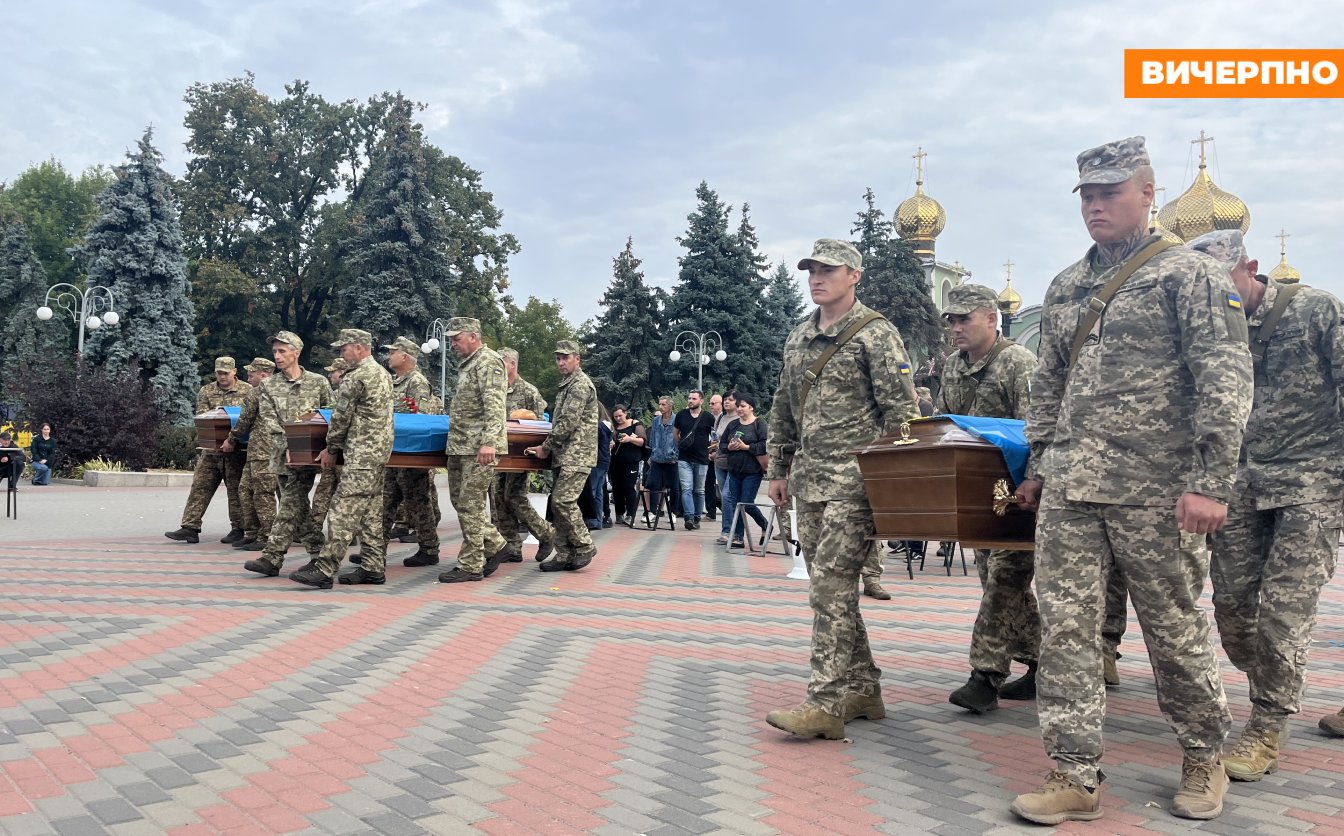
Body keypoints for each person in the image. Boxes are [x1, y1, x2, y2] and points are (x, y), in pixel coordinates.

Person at [1010, 137, 1252, 824]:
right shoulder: (1065, 285)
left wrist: (1211, 481)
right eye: (1087, 195)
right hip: (1073, 491)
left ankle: (1203, 756)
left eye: (1110, 193)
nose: (1096, 206)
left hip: (1156, 492)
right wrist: (1040, 465)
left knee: (1172, 630)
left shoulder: (1190, 275)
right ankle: (1073, 772)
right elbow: (1048, 384)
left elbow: (1225, 380)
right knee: (1065, 631)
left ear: (1148, 193)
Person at [1188, 230, 1344, 781]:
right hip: (1240, 486)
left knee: (1284, 609)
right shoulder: (1207, 333)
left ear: (1251, 268)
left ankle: (1267, 725)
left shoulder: (1316, 310)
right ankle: (1277, 683)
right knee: (1232, 609)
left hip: (1312, 481)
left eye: (1221, 283)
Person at [763, 238, 919, 741]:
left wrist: (895, 482)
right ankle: (865, 689)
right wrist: (779, 468)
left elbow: (902, 414)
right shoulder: (799, 336)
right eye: (811, 269)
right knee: (830, 589)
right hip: (809, 479)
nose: (816, 277)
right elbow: (783, 405)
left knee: (829, 586)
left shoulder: (876, 334)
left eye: (828, 270)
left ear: (854, 275)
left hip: (857, 480)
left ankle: (825, 702)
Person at [934, 283, 1041, 714]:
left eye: (965, 319)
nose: (956, 328)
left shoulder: (1018, 363)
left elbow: (1039, 429)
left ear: (992, 319)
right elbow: (943, 423)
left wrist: (1034, 480)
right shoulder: (953, 367)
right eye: (952, 321)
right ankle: (1043, 663)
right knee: (1002, 585)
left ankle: (985, 677)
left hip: (1022, 495)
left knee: (1004, 581)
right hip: (981, 496)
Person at [289, 329, 393, 588]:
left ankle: (324, 569)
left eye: (343, 349)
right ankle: (372, 567)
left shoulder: (356, 376)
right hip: (378, 453)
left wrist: (332, 448)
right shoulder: (382, 373)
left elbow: (341, 417)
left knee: (342, 510)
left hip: (361, 454)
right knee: (370, 512)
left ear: (358, 347)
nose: (341, 354)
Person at [235, 332, 332, 578]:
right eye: (275, 352)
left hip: (308, 456)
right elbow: (270, 421)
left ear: (296, 352)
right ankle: (318, 553)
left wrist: (325, 446)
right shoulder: (268, 385)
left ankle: (272, 556)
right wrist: (289, 445)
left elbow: (329, 415)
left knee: (290, 500)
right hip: (281, 455)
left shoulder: (318, 382)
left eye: (282, 351)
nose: (277, 356)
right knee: (299, 506)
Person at [438, 318, 517, 583]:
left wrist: (489, 442)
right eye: (450, 339)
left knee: (470, 505)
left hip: (478, 447)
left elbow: (495, 406)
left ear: (473, 336)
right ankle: (497, 544)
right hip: (461, 446)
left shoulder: (488, 361)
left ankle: (471, 565)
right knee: (460, 502)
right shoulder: (469, 363)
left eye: (456, 338)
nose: (452, 344)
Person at [524, 340, 598, 571]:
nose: (561, 362)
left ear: (577, 359)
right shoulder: (567, 384)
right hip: (565, 454)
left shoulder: (579, 385)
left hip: (577, 454)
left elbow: (567, 422)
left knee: (562, 501)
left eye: (566, 358)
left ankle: (584, 545)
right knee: (558, 505)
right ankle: (564, 553)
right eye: (558, 358)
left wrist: (546, 447)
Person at [166, 357, 253, 544]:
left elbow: (248, 418)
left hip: (236, 451)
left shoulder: (247, 390)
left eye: (226, 373)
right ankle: (190, 527)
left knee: (236, 491)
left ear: (234, 371)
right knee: (200, 486)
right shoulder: (207, 391)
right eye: (219, 373)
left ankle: (239, 528)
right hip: (211, 450)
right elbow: (203, 416)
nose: (222, 377)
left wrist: (232, 437)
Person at [381, 337, 442, 568]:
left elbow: (423, 420)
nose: (389, 356)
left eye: (393, 352)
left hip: (410, 455)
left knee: (418, 502)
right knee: (385, 503)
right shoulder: (395, 382)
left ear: (405, 356)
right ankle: (374, 551)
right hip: (393, 453)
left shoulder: (416, 382)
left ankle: (429, 549)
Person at [492, 347, 553, 560]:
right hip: (498, 452)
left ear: (513, 364)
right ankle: (511, 545)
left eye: (502, 361)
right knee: (498, 498)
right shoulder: (495, 388)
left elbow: (542, 424)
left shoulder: (529, 391)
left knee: (514, 497)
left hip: (520, 455)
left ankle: (546, 533)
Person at [233, 358, 277, 551]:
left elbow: (244, 419)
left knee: (263, 494)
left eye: (251, 375)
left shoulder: (258, 392)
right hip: (258, 451)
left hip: (264, 452)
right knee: (245, 489)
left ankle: (267, 536)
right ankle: (252, 533)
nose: (248, 378)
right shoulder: (280, 391)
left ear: (264, 375)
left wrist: (231, 439)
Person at [720, 393, 771, 552]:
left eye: (743, 406)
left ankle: (765, 524)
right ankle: (738, 537)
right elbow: (722, 445)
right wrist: (729, 447)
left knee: (746, 503)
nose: (739, 409)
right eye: (738, 406)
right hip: (734, 470)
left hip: (752, 471)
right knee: (736, 504)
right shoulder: (733, 424)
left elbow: (765, 445)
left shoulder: (759, 423)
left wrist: (746, 447)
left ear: (751, 407)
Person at [309, 357, 350, 529]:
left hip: (345, 451)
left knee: (344, 493)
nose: (330, 375)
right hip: (331, 449)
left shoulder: (349, 392)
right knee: (324, 488)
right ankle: (314, 526)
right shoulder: (335, 394)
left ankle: (347, 532)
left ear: (342, 372)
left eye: (333, 372)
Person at [673, 390, 714, 530]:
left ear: (701, 401)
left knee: (699, 490)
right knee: (686, 488)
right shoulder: (681, 415)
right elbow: (675, 433)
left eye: (694, 398)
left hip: (702, 459)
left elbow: (714, 437)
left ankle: (697, 517)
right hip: (684, 458)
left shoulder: (708, 417)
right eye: (689, 398)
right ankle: (689, 517)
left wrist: (710, 451)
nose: (690, 400)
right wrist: (681, 445)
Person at [609, 404, 646, 527]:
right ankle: (619, 513)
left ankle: (630, 514)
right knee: (617, 488)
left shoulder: (635, 424)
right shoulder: (614, 427)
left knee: (629, 487)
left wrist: (630, 439)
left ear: (625, 413)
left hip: (631, 461)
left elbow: (642, 441)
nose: (618, 418)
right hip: (616, 461)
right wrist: (611, 443)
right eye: (616, 417)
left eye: (620, 415)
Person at [645, 396, 680, 520]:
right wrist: (652, 454)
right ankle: (652, 512)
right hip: (657, 457)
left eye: (663, 404)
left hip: (672, 458)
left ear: (670, 406)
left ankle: (674, 512)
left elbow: (679, 439)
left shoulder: (677, 419)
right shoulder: (656, 420)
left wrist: (676, 456)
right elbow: (652, 438)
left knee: (674, 486)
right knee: (654, 484)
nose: (660, 407)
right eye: (659, 404)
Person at [580, 403, 613, 531]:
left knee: (591, 491)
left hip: (596, 460)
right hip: (604, 461)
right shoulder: (607, 426)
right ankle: (598, 520)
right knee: (599, 492)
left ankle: (590, 520)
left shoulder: (597, 426)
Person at [712, 391, 737, 534]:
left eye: (731, 400)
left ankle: (727, 531)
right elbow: (715, 437)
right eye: (725, 399)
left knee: (727, 496)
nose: (727, 402)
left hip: (734, 463)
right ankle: (732, 528)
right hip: (719, 461)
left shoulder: (740, 418)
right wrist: (712, 451)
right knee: (725, 496)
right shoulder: (721, 417)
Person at [703, 393, 724, 521]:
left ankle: (726, 508)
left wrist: (717, 451)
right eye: (709, 403)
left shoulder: (724, 418)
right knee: (708, 483)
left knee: (723, 484)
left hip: (722, 455)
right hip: (709, 454)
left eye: (713, 403)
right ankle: (711, 512)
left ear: (721, 404)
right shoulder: (708, 418)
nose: (710, 405)